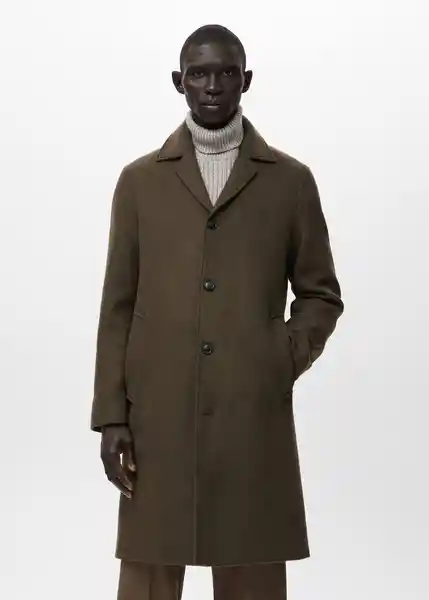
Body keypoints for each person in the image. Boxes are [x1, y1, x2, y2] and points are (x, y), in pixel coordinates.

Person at [90, 23, 344, 600]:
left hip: (251, 412)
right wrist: (111, 417)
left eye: (226, 72)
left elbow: (321, 294)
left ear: (245, 80)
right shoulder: (139, 182)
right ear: (178, 81)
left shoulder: (290, 182)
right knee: (149, 575)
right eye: (199, 73)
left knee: (252, 567)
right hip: (157, 415)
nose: (212, 85)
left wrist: (278, 358)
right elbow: (117, 306)